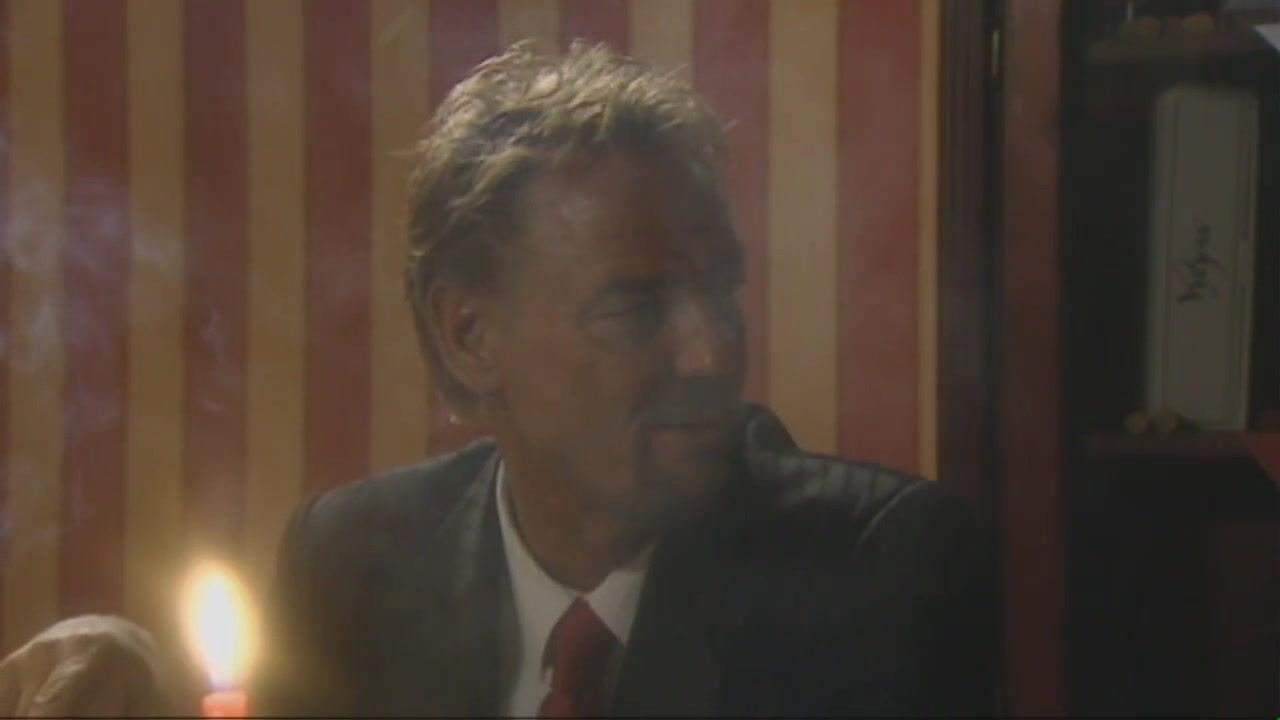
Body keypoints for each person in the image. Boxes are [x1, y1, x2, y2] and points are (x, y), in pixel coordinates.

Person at [0, 41, 998, 717]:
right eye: (635, 305)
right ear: (470, 335)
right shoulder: (352, 560)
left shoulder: (879, 568)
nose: (712, 352)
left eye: (720, 290)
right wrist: (135, 679)